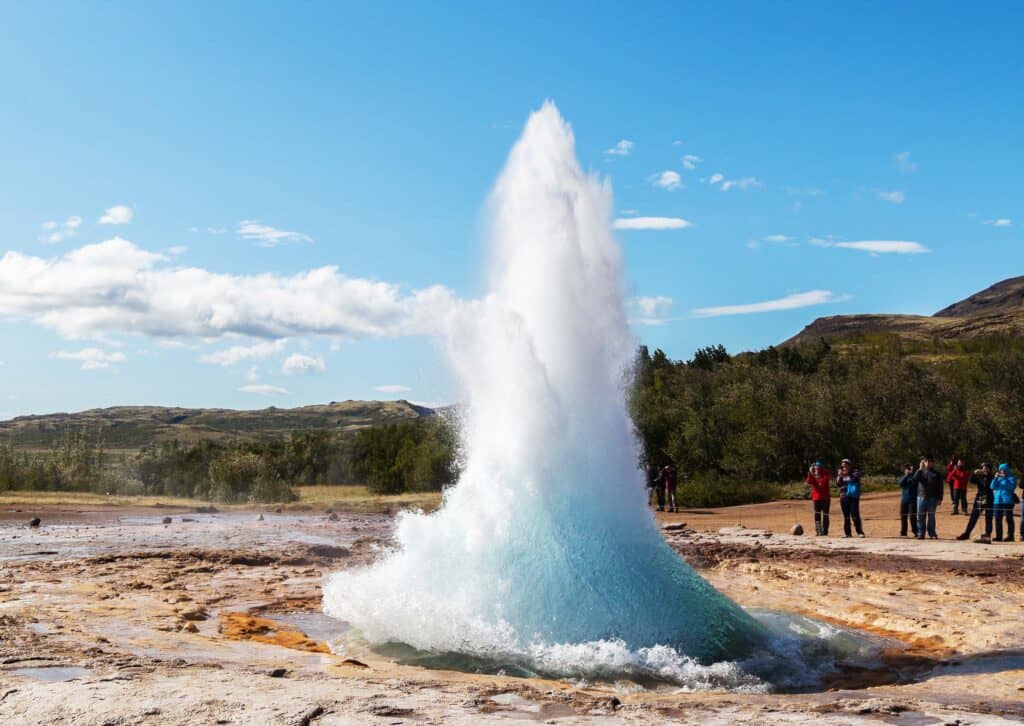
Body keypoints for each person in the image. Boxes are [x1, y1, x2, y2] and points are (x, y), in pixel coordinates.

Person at [957, 462, 994, 541]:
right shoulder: (979, 476)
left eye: (986, 468)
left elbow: (991, 486)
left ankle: (988, 534)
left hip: (989, 499)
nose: (985, 469)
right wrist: (974, 473)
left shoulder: (992, 477)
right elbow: (971, 481)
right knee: (974, 516)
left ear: (989, 469)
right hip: (979, 498)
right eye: (983, 468)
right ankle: (967, 533)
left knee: (988, 518)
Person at [913, 456, 944, 539]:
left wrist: (940, 498)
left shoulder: (936, 473)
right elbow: (915, 479)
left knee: (931, 517)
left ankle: (932, 533)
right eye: (928, 461)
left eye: (931, 462)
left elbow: (940, 487)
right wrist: (920, 468)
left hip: (932, 498)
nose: (930, 463)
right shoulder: (920, 472)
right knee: (920, 517)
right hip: (921, 497)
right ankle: (920, 533)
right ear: (924, 462)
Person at [836, 458, 864, 538]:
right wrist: (839, 476)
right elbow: (838, 484)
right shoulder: (840, 474)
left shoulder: (855, 472)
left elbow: (854, 479)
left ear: (850, 465)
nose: (845, 467)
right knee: (846, 516)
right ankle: (847, 533)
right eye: (843, 466)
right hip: (843, 496)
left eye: (846, 465)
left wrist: (845, 475)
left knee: (855, 515)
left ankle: (860, 532)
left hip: (853, 496)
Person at [990, 463, 1016, 542]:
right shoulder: (998, 478)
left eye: (1004, 470)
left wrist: (1006, 479)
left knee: (1008, 518)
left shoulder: (1012, 478)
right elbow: (992, 487)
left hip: (1007, 501)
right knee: (997, 519)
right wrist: (995, 478)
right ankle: (999, 536)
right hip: (997, 501)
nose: (1002, 471)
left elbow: (1012, 487)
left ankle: (1010, 536)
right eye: (1001, 470)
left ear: (1007, 470)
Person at [806, 461, 832, 536]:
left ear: (821, 468)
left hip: (825, 498)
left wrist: (816, 474)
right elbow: (809, 481)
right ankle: (818, 531)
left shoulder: (825, 473)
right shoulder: (813, 475)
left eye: (817, 467)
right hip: (816, 498)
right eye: (815, 467)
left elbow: (824, 482)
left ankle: (825, 531)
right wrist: (810, 473)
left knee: (825, 515)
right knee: (817, 515)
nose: (816, 469)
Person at [898, 463, 918, 537]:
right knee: (903, 516)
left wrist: (912, 473)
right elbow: (900, 483)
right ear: (904, 470)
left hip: (912, 500)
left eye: (909, 469)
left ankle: (915, 531)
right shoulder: (904, 477)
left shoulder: (914, 477)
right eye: (907, 469)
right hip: (904, 500)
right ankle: (903, 531)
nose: (908, 470)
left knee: (912, 516)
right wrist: (906, 475)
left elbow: (914, 482)